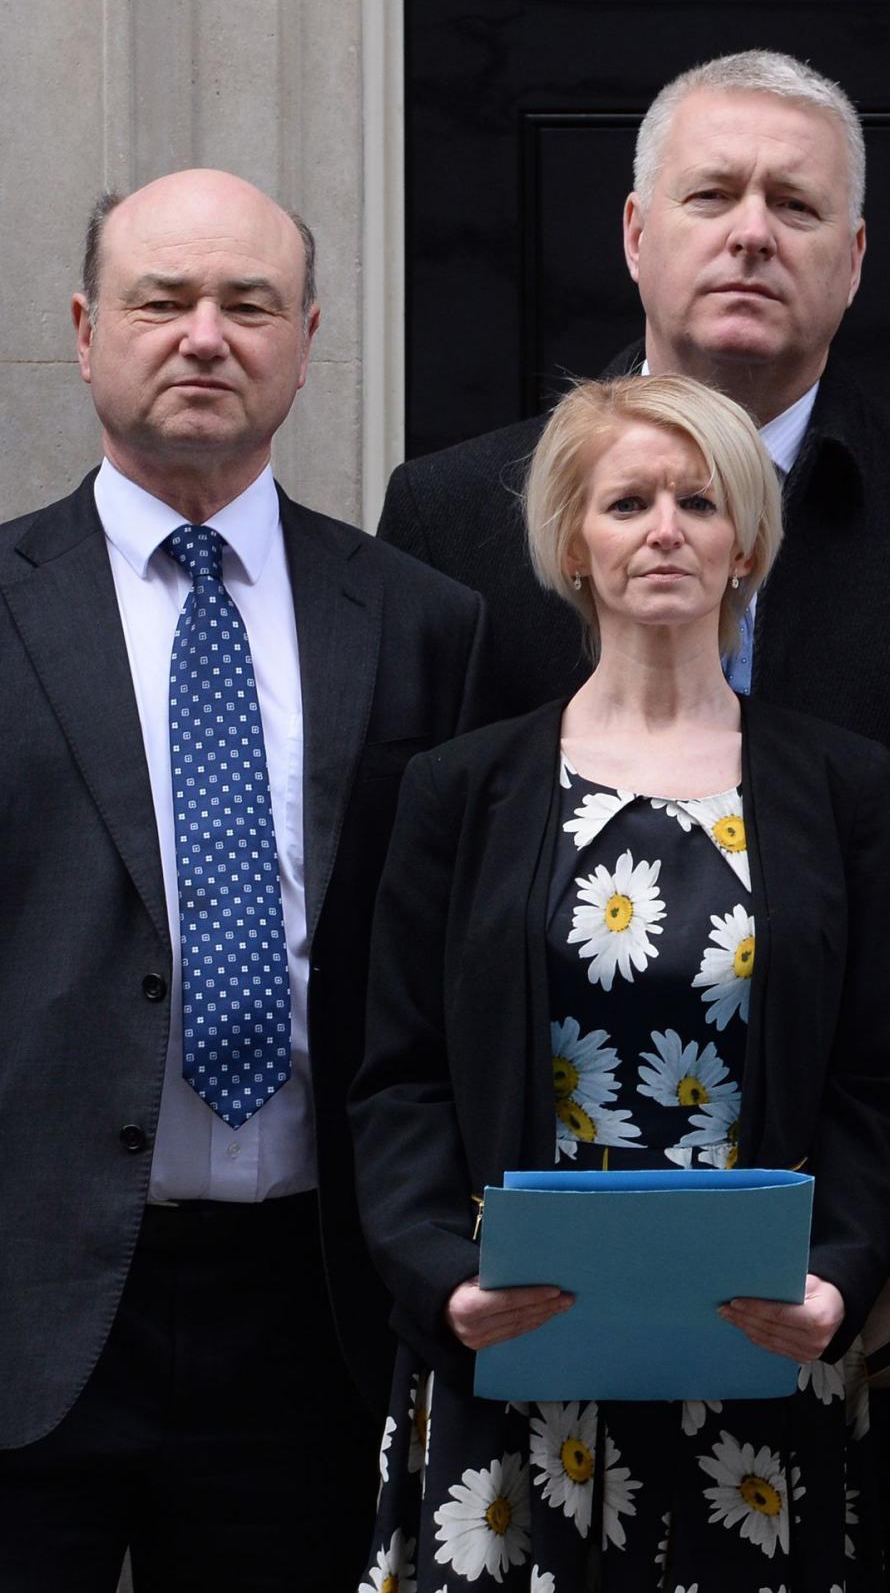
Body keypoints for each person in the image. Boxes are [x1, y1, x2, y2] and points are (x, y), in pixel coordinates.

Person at [351, 374, 890, 1591]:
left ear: (747, 542)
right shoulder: (460, 789)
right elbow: (396, 1077)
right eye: (627, 503)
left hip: (757, 1350)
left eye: (700, 502)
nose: (665, 529)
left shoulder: (844, 786)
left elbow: (874, 1077)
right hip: (518, 1349)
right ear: (572, 540)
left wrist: (838, 1278)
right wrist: (447, 1277)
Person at [0, 170, 484, 1588]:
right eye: (164, 300)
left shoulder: (418, 622)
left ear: (309, 336)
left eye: (249, 304)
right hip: (34, 1298)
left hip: (312, 1307)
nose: (206, 334)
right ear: (89, 331)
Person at [375, 48, 890, 829]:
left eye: (795, 206)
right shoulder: (451, 514)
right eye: (712, 195)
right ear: (636, 235)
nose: (752, 233)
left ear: (854, 261)